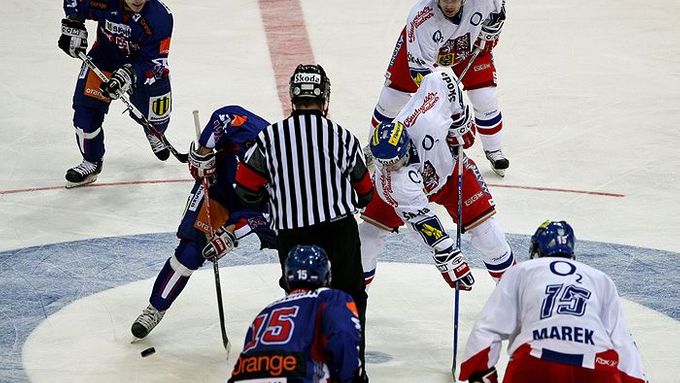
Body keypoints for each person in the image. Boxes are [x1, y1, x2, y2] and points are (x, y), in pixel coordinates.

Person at [234, 64, 373, 381]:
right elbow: (365, 191)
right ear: (324, 97)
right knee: (351, 297)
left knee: (301, 299)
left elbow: (245, 188)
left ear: (292, 97)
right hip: (339, 232)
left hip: (293, 236)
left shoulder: (269, 139)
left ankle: (305, 368)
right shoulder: (342, 137)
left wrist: (275, 201)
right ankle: (353, 369)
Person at [360, 69, 514, 291]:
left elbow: (443, 80)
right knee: (366, 239)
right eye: (384, 164)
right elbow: (422, 220)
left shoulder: (425, 122)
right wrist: (449, 257)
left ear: (405, 148)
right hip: (409, 197)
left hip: (450, 173)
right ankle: (354, 300)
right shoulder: (391, 181)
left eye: (394, 163)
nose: (389, 168)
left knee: (489, 235)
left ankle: (515, 297)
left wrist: (461, 122)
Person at [130, 105, 277, 338]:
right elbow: (222, 116)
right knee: (190, 252)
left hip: (256, 209)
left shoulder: (288, 182)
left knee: (300, 251)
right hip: (219, 191)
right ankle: (156, 307)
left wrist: (229, 236)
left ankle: (302, 309)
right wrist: (204, 153)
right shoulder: (248, 128)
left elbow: (268, 218)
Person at [459, 220, 648, 383]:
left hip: (535, 361)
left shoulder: (522, 271)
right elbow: (623, 341)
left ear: (537, 249)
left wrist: (480, 373)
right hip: (596, 364)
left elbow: (488, 327)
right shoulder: (600, 279)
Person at [369, 0, 510, 176]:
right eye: (444, 0)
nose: (449, 5)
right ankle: (374, 145)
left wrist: (493, 25)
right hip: (421, 50)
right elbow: (424, 79)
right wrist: (451, 109)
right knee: (391, 99)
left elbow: (498, 9)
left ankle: (494, 150)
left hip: (468, 43)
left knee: (485, 97)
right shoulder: (421, 18)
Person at [58, 0, 174, 188]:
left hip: (142, 66)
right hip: (104, 59)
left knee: (157, 119)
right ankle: (92, 161)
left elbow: (156, 62)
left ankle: (155, 132)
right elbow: (74, 2)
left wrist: (129, 75)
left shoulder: (160, 17)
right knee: (85, 115)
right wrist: (74, 22)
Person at [228, 245, 362, 383]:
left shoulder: (267, 311)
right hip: (295, 375)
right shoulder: (330, 298)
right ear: (326, 275)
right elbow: (344, 335)